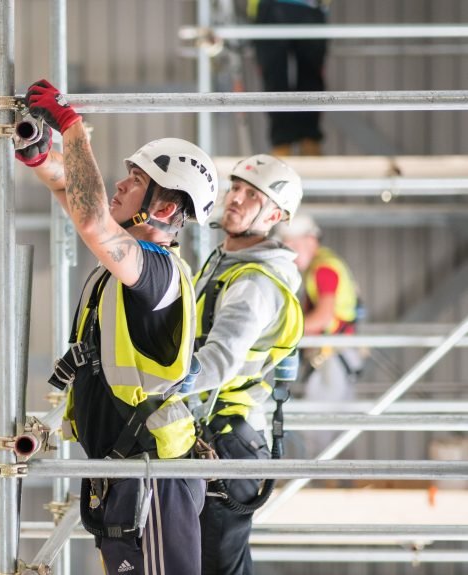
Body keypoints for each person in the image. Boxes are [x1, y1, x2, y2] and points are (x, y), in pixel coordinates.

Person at [16, 79, 220, 575]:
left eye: (135, 180)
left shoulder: (156, 271)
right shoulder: (131, 263)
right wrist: (40, 154)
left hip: (153, 478)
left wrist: (72, 128)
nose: (121, 186)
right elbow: (71, 190)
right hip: (127, 473)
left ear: (165, 209)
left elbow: (92, 219)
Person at [187, 154, 305, 575]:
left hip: (225, 440)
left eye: (252, 195)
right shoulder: (225, 262)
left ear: (274, 215)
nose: (235, 198)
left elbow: (216, 362)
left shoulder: (253, 282)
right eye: (235, 188)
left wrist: (153, 384)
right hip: (218, 435)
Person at [275, 213, 364, 456]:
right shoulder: (325, 264)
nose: (290, 251)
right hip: (340, 354)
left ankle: (318, 476)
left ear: (311, 241)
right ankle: (334, 476)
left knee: (318, 428)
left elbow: (323, 317)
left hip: (332, 357)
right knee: (336, 428)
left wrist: (283, 331)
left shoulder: (323, 269)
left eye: (294, 244)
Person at [249, 0, 329, 156]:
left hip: (309, 6)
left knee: (309, 77)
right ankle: (285, 142)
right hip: (274, 7)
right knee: (276, 78)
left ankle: (305, 140)